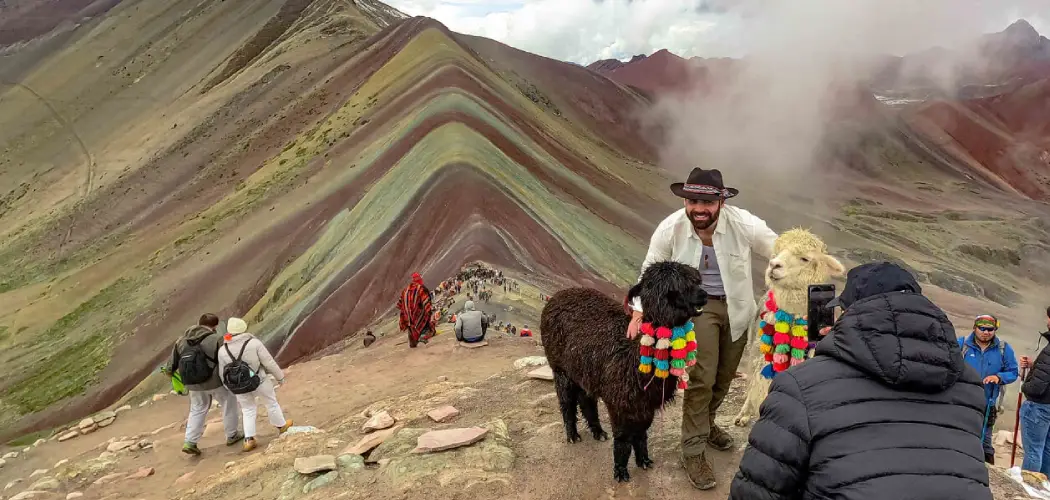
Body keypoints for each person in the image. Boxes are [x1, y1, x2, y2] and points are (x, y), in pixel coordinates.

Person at [729, 262, 992, 500]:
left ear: (850, 313)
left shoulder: (801, 385)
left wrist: (841, 346)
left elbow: (757, 490)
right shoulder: (969, 384)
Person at [627, 167, 777, 490]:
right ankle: (693, 449)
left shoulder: (743, 224)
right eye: (693, 200)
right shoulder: (671, 228)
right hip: (698, 308)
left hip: (738, 308)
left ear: (722, 201)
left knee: (724, 377)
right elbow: (649, 270)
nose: (699, 208)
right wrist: (638, 311)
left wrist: (804, 263)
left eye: (707, 202)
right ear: (685, 201)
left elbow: (778, 250)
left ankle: (706, 423)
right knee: (703, 376)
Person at [162, 313, 243, 455]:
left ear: (198, 323)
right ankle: (232, 435)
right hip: (215, 381)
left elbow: (170, 367)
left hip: (193, 384)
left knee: (197, 409)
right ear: (215, 326)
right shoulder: (217, 339)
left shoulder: (181, 341)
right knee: (228, 402)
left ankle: (190, 442)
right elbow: (228, 357)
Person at [217, 317, 293, 452]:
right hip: (259, 379)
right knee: (271, 403)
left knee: (247, 410)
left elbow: (223, 372)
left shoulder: (223, 350)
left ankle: (249, 439)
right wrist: (280, 377)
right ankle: (281, 426)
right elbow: (268, 362)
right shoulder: (254, 343)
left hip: (238, 385)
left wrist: (230, 387)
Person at [958, 313, 1019, 464]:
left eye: (990, 329)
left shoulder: (1003, 348)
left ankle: (987, 471)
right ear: (975, 328)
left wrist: (999, 377)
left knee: (985, 439)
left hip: (988, 402)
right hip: (962, 400)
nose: (986, 332)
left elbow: (1013, 371)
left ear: (994, 330)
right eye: (982, 328)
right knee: (961, 434)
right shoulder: (961, 344)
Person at [1019, 306, 1050, 475]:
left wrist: (1025, 386)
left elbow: (1037, 387)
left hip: (1039, 407)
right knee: (1046, 450)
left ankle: (1030, 487)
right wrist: (1034, 366)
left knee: (1033, 451)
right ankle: (1043, 488)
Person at [398, 272, 435, 348]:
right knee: (425, 323)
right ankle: (423, 336)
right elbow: (426, 302)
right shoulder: (421, 289)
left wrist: (406, 311)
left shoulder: (405, 290)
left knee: (411, 327)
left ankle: (413, 343)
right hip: (417, 314)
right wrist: (429, 311)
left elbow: (400, 304)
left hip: (407, 316)